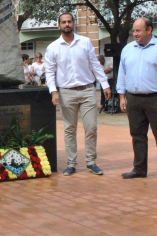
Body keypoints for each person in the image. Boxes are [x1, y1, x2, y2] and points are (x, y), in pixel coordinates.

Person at [45, 13, 111, 176]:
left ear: (74, 23)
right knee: (69, 129)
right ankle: (71, 163)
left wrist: (105, 84)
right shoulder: (53, 47)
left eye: (69, 21)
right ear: (59, 26)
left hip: (88, 90)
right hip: (66, 93)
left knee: (91, 128)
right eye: (63, 22)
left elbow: (95, 65)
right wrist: (54, 91)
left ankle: (91, 162)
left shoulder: (85, 42)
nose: (67, 24)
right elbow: (50, 71)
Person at [117, 18, 157, 181]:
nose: (135, 34)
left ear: (149, 30)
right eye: (133, 31)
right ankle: (139, 168)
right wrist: (122, 96)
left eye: (138, 30)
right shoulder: (127, 49)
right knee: (137, 135)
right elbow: (122, 74)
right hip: (134, 99)